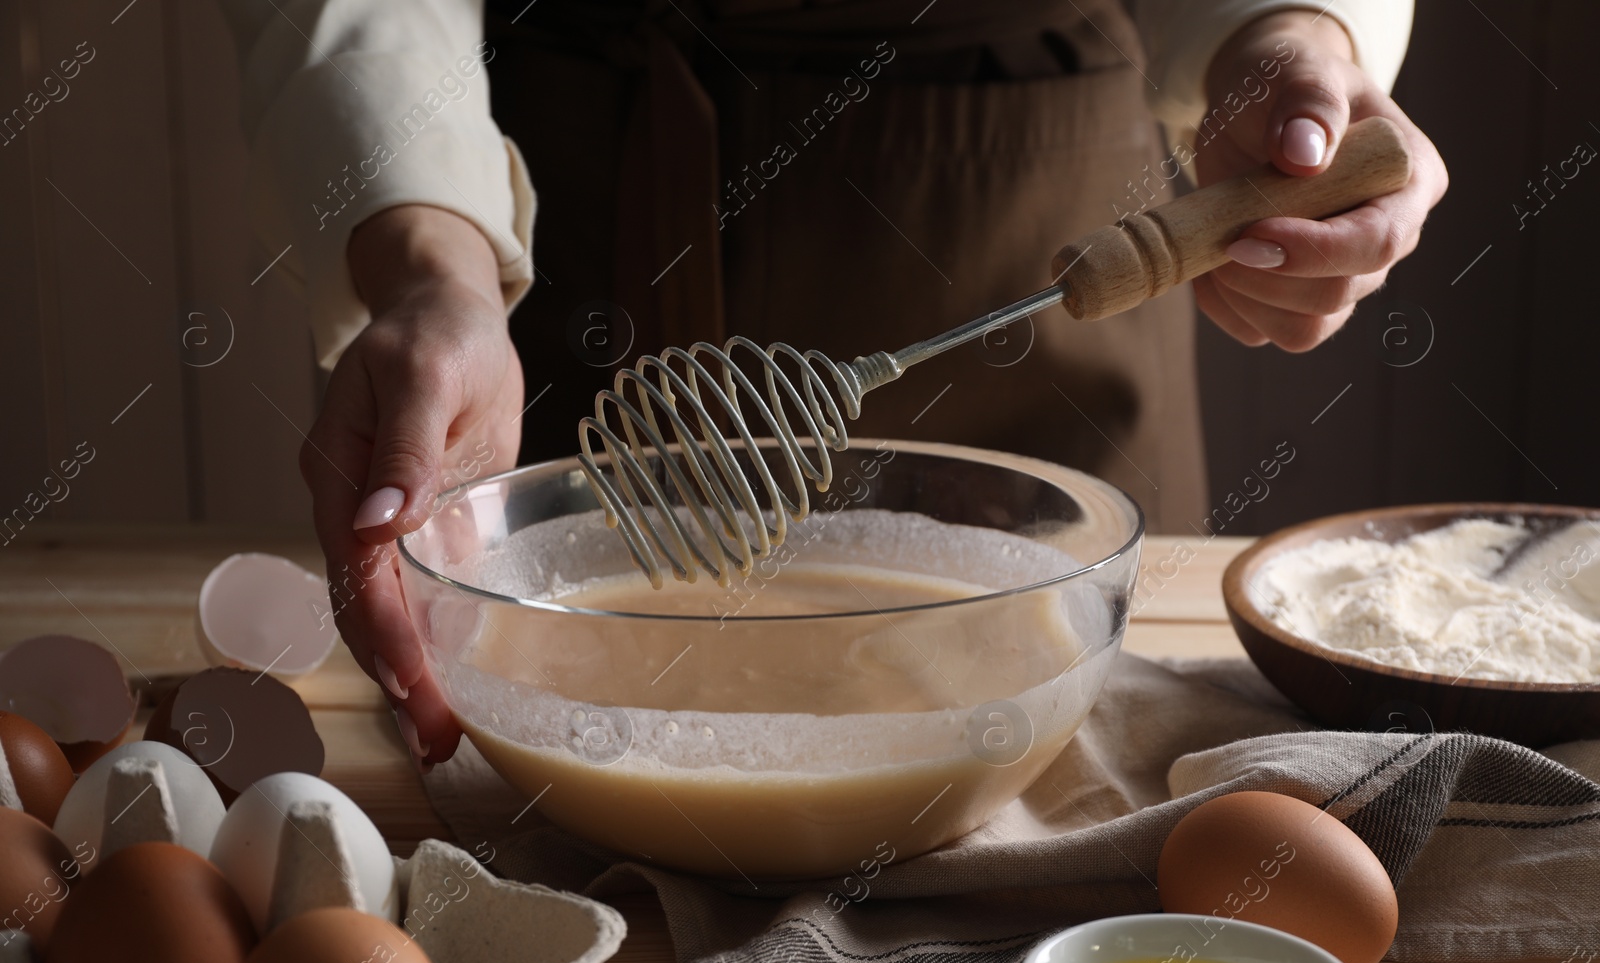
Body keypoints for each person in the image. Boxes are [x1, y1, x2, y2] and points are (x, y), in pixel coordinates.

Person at [219, 0, 1446, 770]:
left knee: (1063, 706)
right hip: (548, 193)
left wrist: (1286, 38)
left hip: (1008, 170)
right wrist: (435, 270)